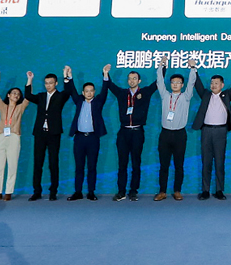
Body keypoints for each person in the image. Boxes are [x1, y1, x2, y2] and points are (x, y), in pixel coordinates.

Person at [191, 67, 231, 200]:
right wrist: (193, 69)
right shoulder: (205, 95)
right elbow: (198, 84)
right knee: (206, 162)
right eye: (212, 83)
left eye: (216, 83)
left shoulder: (226, 95)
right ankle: (205, 190)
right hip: (206, 131)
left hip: (221, 131)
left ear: (222, 85)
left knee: (220, 162)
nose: (213, 85)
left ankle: (219, 190)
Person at [107, 67, 158, 201]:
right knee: (122, 164)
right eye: (129, 79)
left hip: (137, 132)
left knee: (136, 163)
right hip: (123, 132)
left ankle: (133, 191)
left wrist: (162, 66)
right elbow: (110, 85)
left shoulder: (145, 92)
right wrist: (106, 73)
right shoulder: (122, 93)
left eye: (134, 78)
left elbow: (157, 83)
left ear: (139, 81)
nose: (132, 81)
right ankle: (121, 192)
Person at [153, 56, 197, 202]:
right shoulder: (165, 95)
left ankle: (177, 191)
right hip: (165, 134)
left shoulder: (186, 97)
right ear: (170, 84)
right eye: (173, 82)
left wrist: (192, 68)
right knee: (163, 165)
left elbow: (192, 83)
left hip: (180, 134)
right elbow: (159, 82)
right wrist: (161, 66)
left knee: (179, 164)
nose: (175, 84)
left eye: (178, 82)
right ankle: (162, 191)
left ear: (182, 85)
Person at [25, 68, 71, 201]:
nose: (48, 85)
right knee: (37, 163)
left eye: (51, 83)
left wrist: (66, 76)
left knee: (53, 162)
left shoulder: (60, 96)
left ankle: (53, 191)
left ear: (56, 83)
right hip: (40, 133)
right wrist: (30, 80)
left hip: (54, 134)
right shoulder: (41, 96)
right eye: (46, 83)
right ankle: (37, 191)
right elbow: (28, 96)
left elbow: (68, 91)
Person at [66, 66, 111, 201]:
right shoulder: (78, 100)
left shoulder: (98, 102)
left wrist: (105, 74)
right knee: (79, 167)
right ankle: (78, 192)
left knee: (92, 166)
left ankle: (91, 192)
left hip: (93, 138)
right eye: (87, 91)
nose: (89, 93)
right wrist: (69, 76)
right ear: (83, 92)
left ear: (94, 92)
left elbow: (105, 90)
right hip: (79, 138)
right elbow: (71, 90)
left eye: (91, 91)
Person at [0, 71, 29, 201]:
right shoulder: (2, 106)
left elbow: (28, 97)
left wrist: (29, 80)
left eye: (18, 94)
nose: (16, 95)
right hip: (1, 137)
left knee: (12, 165)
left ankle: (8, 192)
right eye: (14, 93)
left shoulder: (20, 108)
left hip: (14, 137)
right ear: (8, 95)